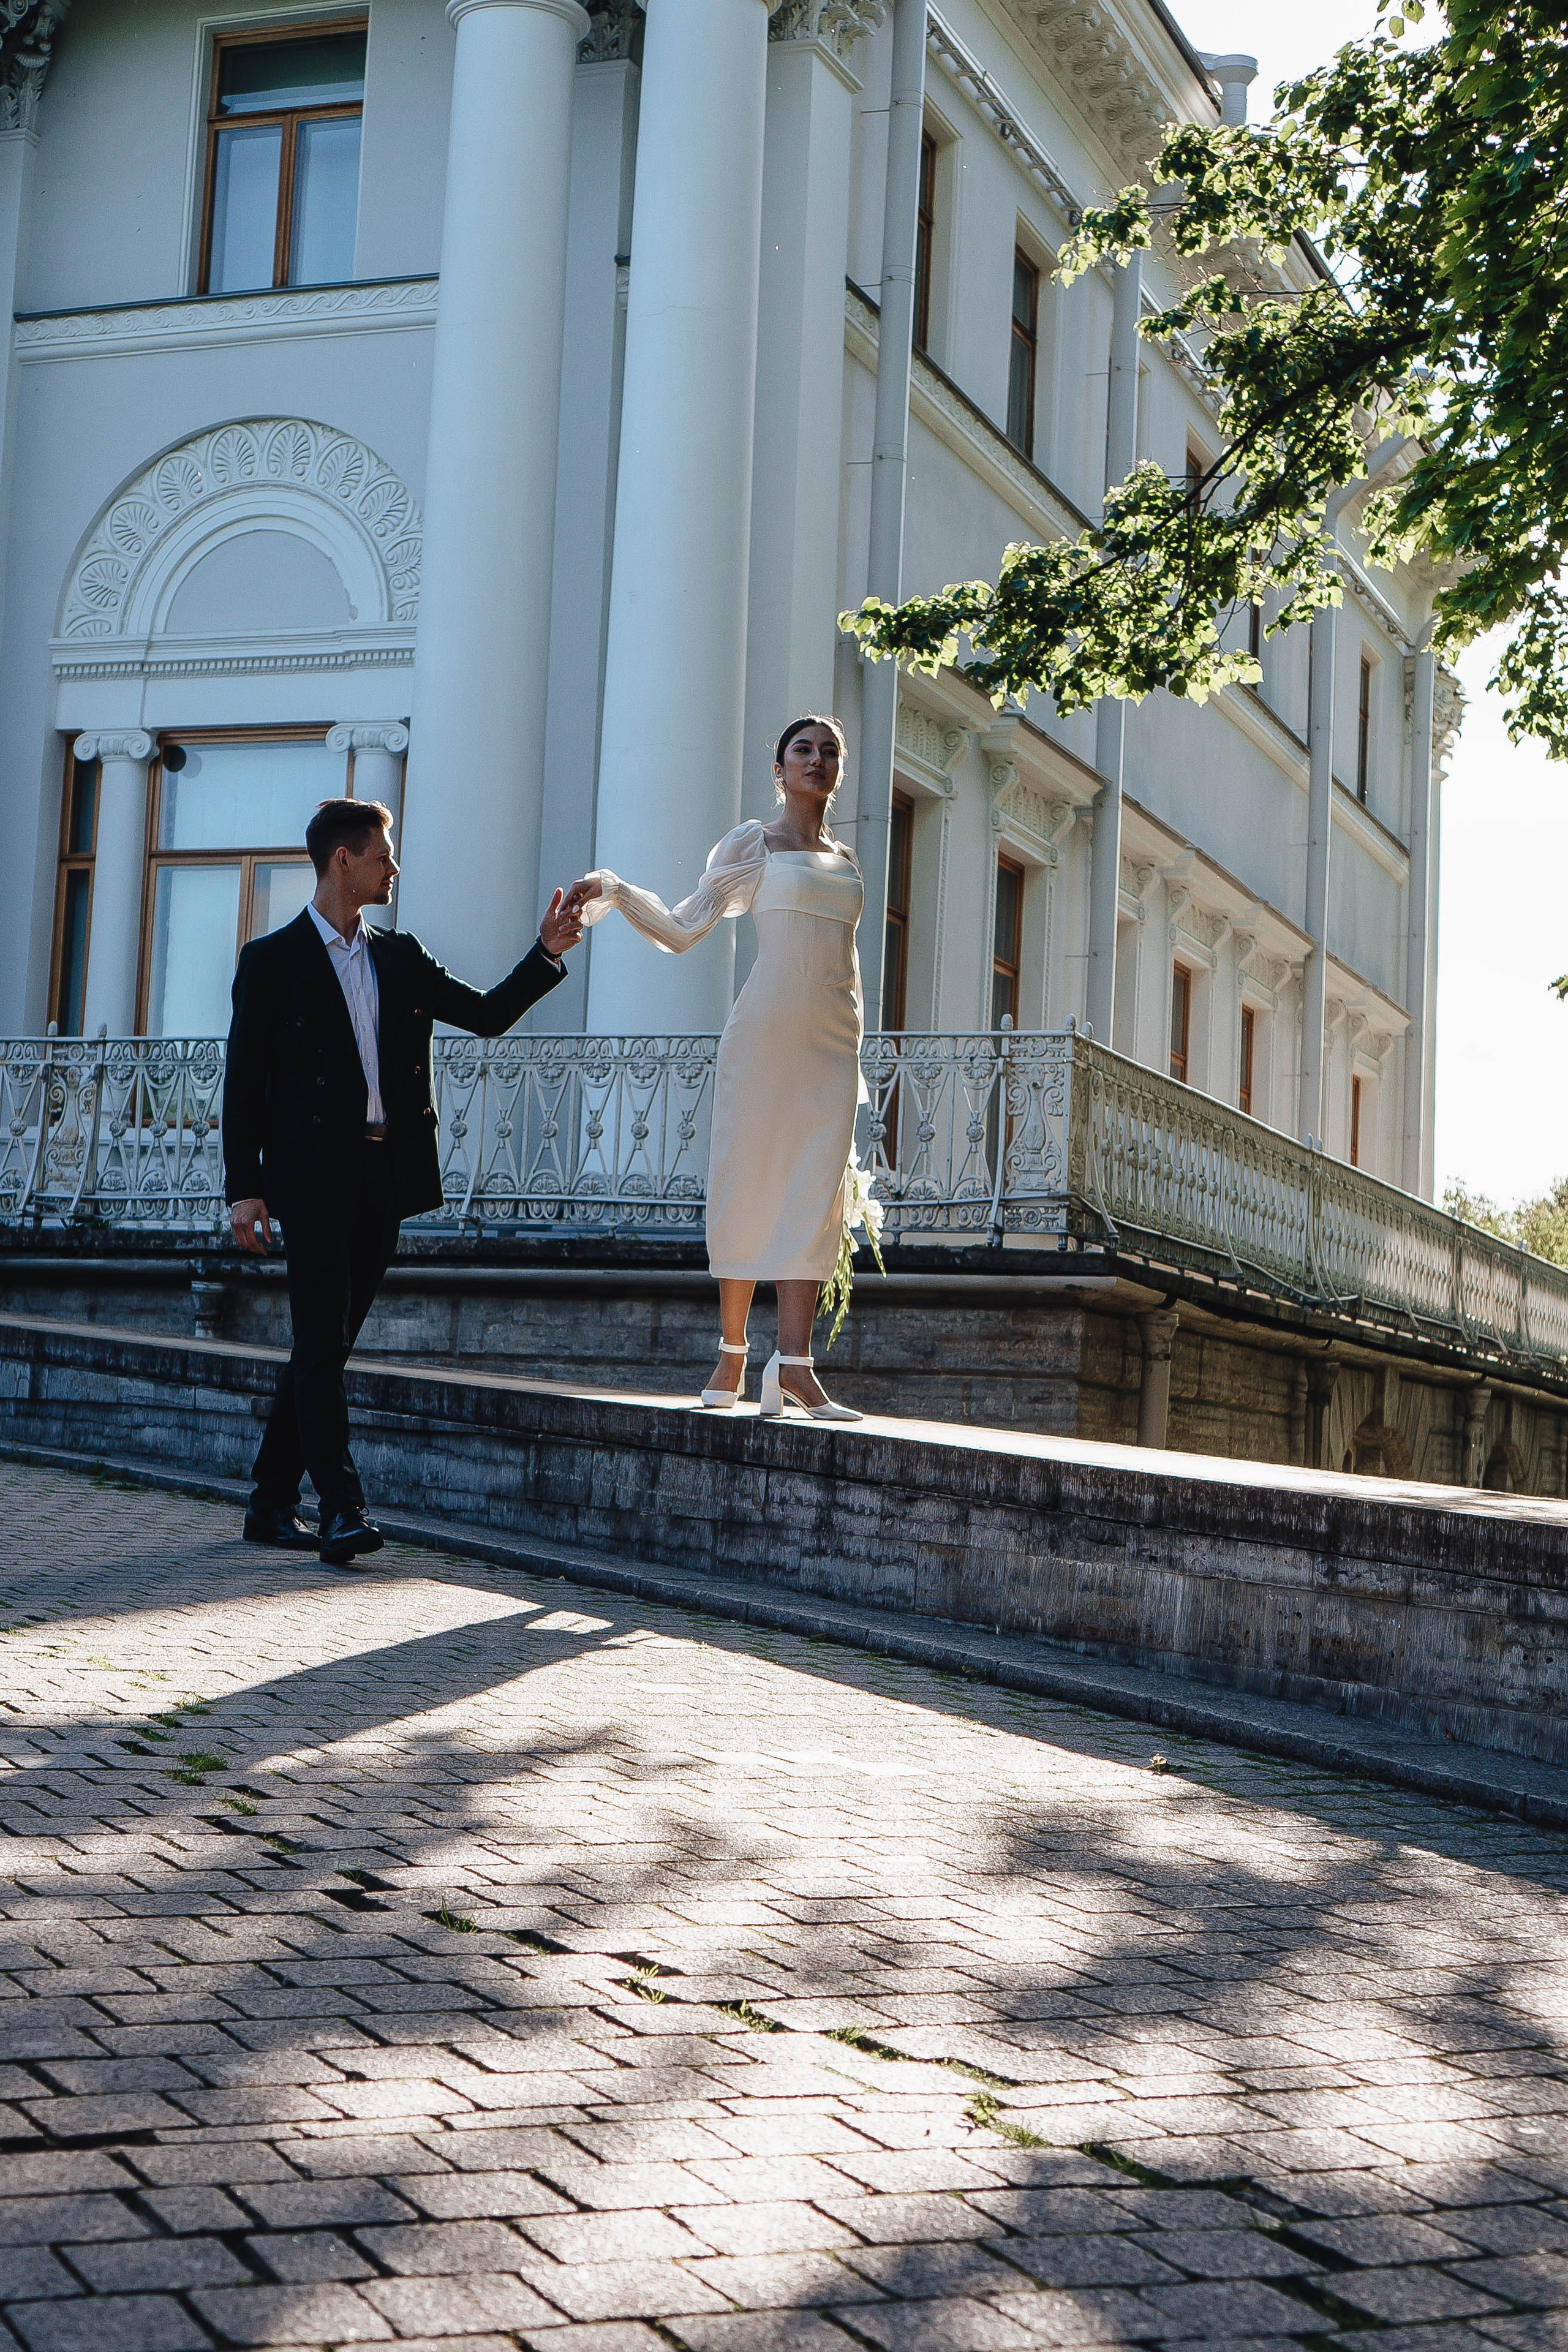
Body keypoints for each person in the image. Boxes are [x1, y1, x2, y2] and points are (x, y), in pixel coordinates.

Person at [223, 797, 587, 1566]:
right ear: (343, 861)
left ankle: (268, 1502)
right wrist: (243, 1187)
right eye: (384, 855)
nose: (395, 868)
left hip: (384, 1173)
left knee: (328, 1345)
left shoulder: (401, 954)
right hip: (311, 1176)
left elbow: (485, 1015)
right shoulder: (271, 961)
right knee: (321, 1340)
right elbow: (244, 1083)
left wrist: (546, 952)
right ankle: (342, 1511)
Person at [576, 716, 865, 1421]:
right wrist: (615, 891)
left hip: (833, 1038)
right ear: (779, 769)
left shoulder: (847, 857)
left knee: (814, 1194)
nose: (816, 759)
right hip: (765, 1033)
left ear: (839, 770)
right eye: (802, 749)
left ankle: (795, 1366)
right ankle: (732, 1352)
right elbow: (682, 929)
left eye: (829, 751)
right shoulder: (754, 844)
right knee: (749, 1179)